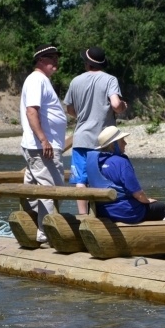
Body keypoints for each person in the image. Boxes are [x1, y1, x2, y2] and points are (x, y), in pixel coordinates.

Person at [64, 47, 128, 215]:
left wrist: (83, 116)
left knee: (80, 180)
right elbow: (116, 105)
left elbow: (69, 109)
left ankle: (83, 216)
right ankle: (109, 213)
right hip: (104, 139)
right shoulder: (110, 80)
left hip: (81, 138)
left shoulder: (75, 81)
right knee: (107, 174)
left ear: (87, 63)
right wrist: (123, 106)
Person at [19, 44, 68, 244]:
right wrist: (44, 139)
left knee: (34, 188)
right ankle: (46, 232)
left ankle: (30, 225)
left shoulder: (41, 80)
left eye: (56, 57)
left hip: (41, 146)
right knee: (51, 189)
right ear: (40, 60)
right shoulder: (36, 80)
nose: (56, 61)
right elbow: (32, 111)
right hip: (42, 146)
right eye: (51, 57)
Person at [87, 126, 165, 223]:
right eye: (122, 141)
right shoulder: (121, 162)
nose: (125, 143)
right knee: (161, 208)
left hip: (100, 211)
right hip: (125, 212)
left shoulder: (95, 163)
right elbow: (138, 195)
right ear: (113, 144)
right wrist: (148, 201)